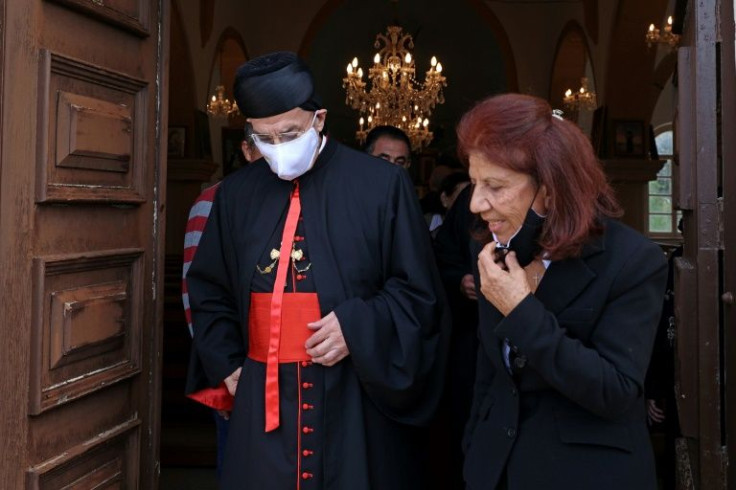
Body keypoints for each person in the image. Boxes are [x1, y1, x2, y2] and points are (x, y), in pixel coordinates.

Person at [184, 51, 449, 490]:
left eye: (289, 133)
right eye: (264, 138)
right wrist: (226, 362)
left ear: (319, 119)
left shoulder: (382, 186)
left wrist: (357, 326)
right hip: (262, 404)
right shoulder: (234, 196)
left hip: (352, 398)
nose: (278, 147)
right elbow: (208, 289)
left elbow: (420, 291)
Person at [458, 94, 668, 490]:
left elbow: (616, 391)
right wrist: (475, 458)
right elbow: (489, 376)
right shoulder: (489, 248)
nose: (476, 203)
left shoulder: (634, 262)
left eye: (495, 186)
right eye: (473, 183)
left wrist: (520, 311)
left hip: (587, 474)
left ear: (551, 191)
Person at [181, 123, 260, 479]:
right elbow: (197, 295)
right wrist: (224, 371)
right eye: (266, 143)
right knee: (240, 465)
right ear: (246, 150)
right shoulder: (214, 199)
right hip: (236, 365)